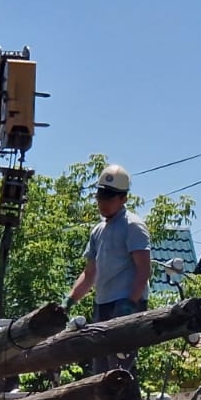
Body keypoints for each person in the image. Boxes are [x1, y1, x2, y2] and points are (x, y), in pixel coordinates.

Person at [64, 163, 152, 381]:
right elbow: (90, 273)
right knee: (101, 369)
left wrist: (130, 303)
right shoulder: (98, 230)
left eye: (109, 197)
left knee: (120, 366)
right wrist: (69, 301)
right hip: (103, 304)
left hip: (126, 303)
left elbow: (143, 270)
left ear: (123, 198)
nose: (103, 202)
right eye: (101, 196)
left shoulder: (133, 226)